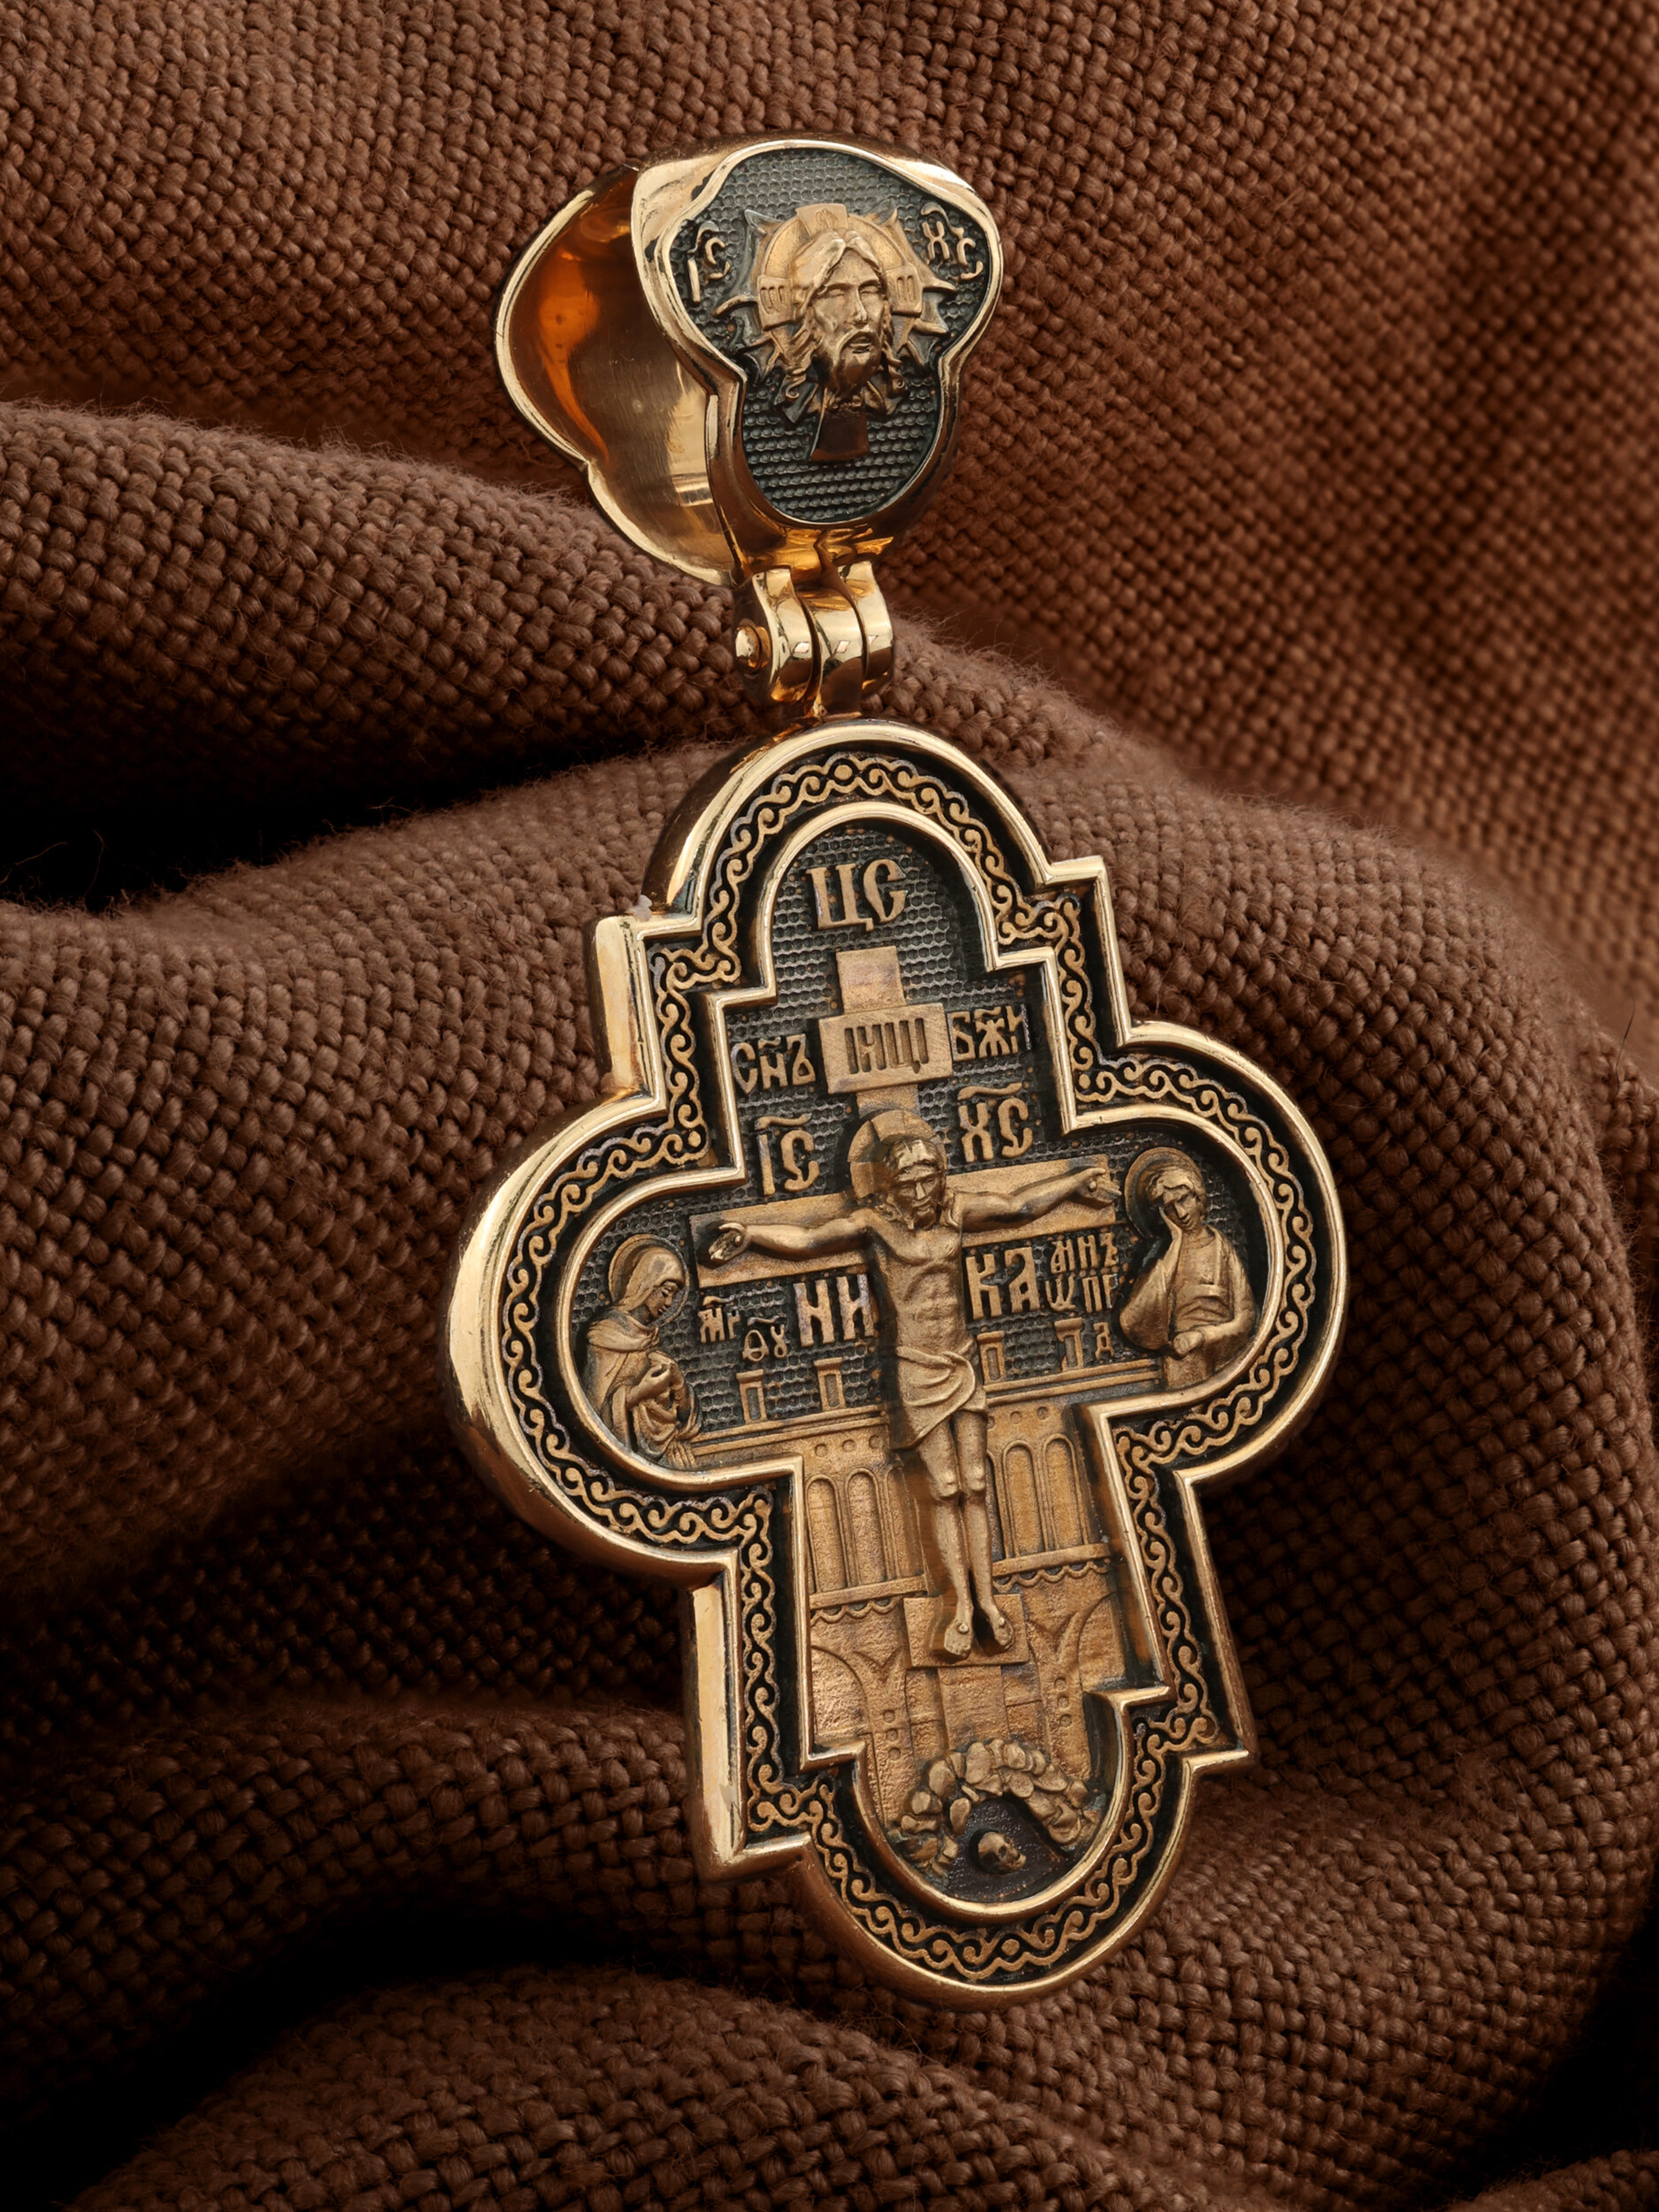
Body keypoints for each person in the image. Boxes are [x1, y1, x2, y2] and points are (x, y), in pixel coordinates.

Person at [705, 1111, 1114, 1658]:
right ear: (887, 1186)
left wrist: (1074, 1182)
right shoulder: (875, 1223)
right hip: (917, 1367)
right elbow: (808, 1239)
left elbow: (1018, 1206)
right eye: (908, 1184)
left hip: (962, 1359)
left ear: (941, 1176)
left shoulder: (957, 1209)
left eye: (929, 1180)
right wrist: (751, 1234)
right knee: (943, 1487)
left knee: (976, 1481)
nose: (921, 1193)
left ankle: (988, 1600)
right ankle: (960, 1605)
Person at [1119, 1148, 1256, 1387]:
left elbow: (1245, 1320)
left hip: (1226, 1360)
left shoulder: (1222, 1248)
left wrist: (1201, 1337)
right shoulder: (1162, 1255)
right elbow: (1133, 1321)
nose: (1180, 1214)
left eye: (1183, 1200)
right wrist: (1175, 1244)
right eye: (1169, 1208)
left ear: (1198, 1196)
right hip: (1183, 1362)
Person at [583, 1237, 701, 1470]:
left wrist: (678, 1382)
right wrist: (638, 1393)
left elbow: (685, 1417)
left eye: (673, 1295)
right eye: (665, 1292)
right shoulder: (605, 1335)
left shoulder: (651, 1340)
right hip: (621, 1464)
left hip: (666, 1456)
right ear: (646, 1284)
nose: (669, 1302)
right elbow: (592, 1415)